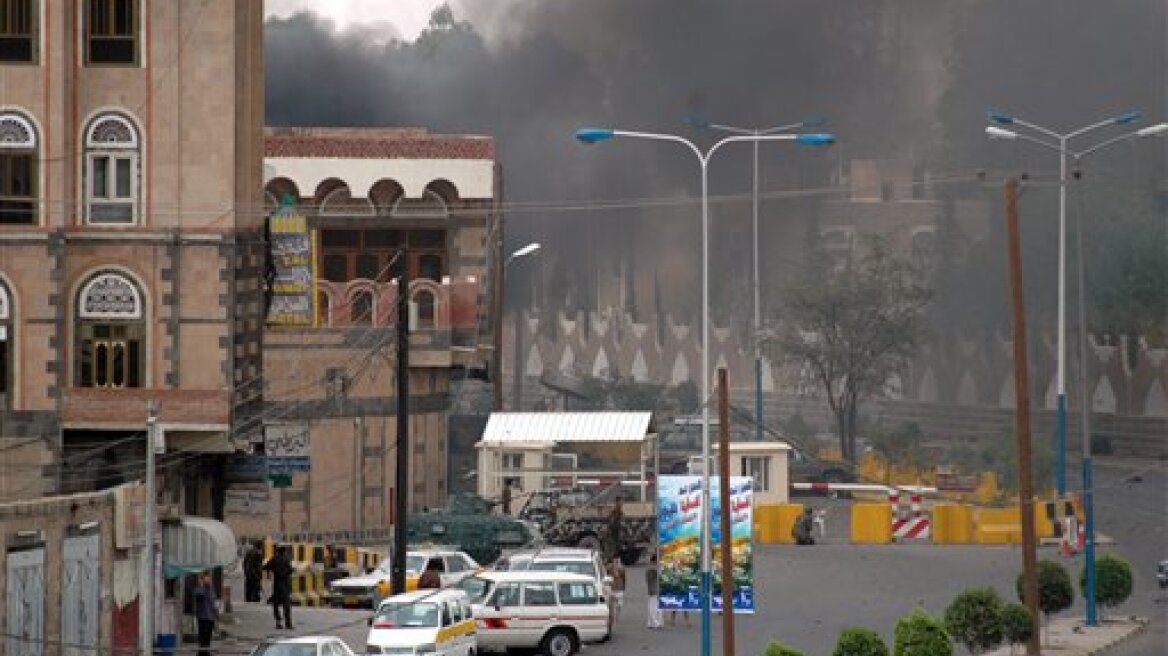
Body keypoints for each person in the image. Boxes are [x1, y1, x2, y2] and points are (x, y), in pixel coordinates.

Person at [263, 545, 294, 629]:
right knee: (286, 604)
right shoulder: (286, 559)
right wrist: (285, 573)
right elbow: (291, 570)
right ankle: (288, 624)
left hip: (277, 585)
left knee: (276, 604)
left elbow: (265, 567)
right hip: (285, 584)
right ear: (284, 552)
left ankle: (278, 622)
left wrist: (272, 570)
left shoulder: (274, 559)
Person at [193, 571, 218, 656]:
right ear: (202, 579)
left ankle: (206, 652)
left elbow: (213, 601)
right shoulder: (199, 589)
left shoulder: (211, 588)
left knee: (208, 637)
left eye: (209, 578)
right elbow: (198, 594)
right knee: (203, 637)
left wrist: (216, 613)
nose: (208, 580)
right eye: (206, 578)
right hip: (203, 617)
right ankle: (201, 653)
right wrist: (201, 585)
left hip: (211, 617)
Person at [645, 554, 663, 629]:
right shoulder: (651, 569)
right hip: (654, 589)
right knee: (654, 606)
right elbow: (650, 580)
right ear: (654, 561)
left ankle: (650, 622)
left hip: (656, 589)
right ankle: (655, 622)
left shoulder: (653, 568)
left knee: (653, 606)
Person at [606, 557, 626, 622]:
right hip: (611, 588)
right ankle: (612, 616)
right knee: (611, 604)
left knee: (619, 604)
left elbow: (624, 578)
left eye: (618, 561)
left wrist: (624, 587)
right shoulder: (609, 568)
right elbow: (606, 575)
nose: (616, 563)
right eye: (615, 561)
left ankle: (617, 616)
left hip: (620, 588)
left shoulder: (622, 569)